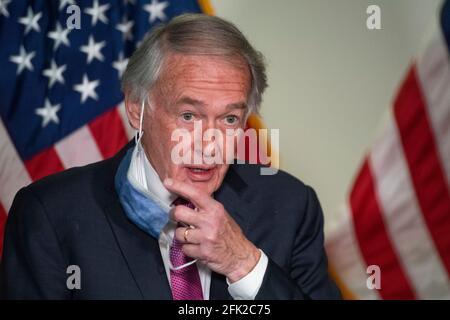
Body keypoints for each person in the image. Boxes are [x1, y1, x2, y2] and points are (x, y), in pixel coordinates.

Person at [0, 14, 341, 300]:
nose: (210, 144)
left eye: (229, 119)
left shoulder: (291, 206)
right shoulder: (50, 213)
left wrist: (244, 265)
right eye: (189, 116)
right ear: (137, 108)